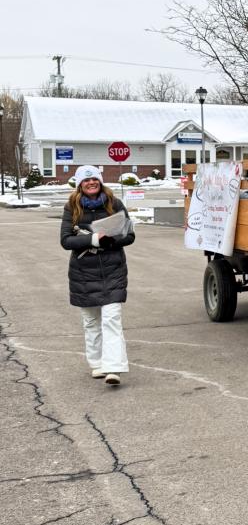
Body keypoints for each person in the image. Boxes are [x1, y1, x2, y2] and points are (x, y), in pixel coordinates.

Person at [60, 165, 135, 386]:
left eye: (94, 179)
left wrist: (110, 240)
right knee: (91, 321)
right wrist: (93, 239)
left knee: (111, 319)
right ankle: (97, 364)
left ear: (100, 181)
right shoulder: (72, 207)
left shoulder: (114, 204)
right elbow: (65, 240)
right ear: (80, 185)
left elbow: (129, 235)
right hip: (84, 273)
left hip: (113, 270)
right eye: (86, 180)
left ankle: (114, 368)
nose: (91, 183)